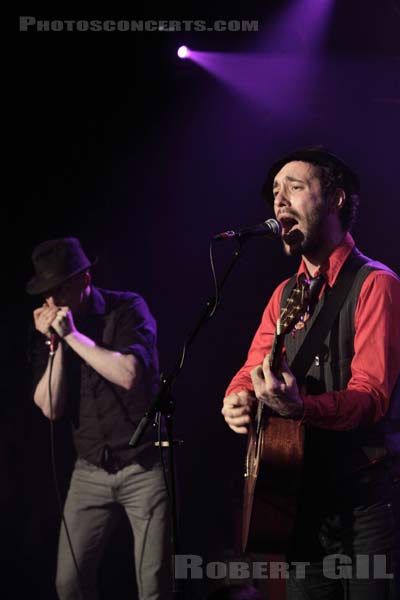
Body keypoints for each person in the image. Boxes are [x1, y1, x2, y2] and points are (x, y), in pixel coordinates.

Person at [221, 147, 400, 599]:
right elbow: (250, 367)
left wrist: (301, 409)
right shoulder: (285, 294)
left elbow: (371, 395)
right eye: (275, 193)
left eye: (295, 188)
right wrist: (237, 397)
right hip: (299, 500)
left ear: (336, 199)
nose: (279, 201)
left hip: (365, 501)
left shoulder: (376, 284)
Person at [27, 237, 171, 600]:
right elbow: (50, 408)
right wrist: (57, 345)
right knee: (69, 583)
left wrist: (72, 336)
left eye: (59, 289)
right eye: (46, 293)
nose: (51, 301)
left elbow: (128, 374)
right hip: (90, 468)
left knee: (153, 585)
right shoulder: (54, 332)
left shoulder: (127, 308)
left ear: (84, 279)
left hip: (145, 465)